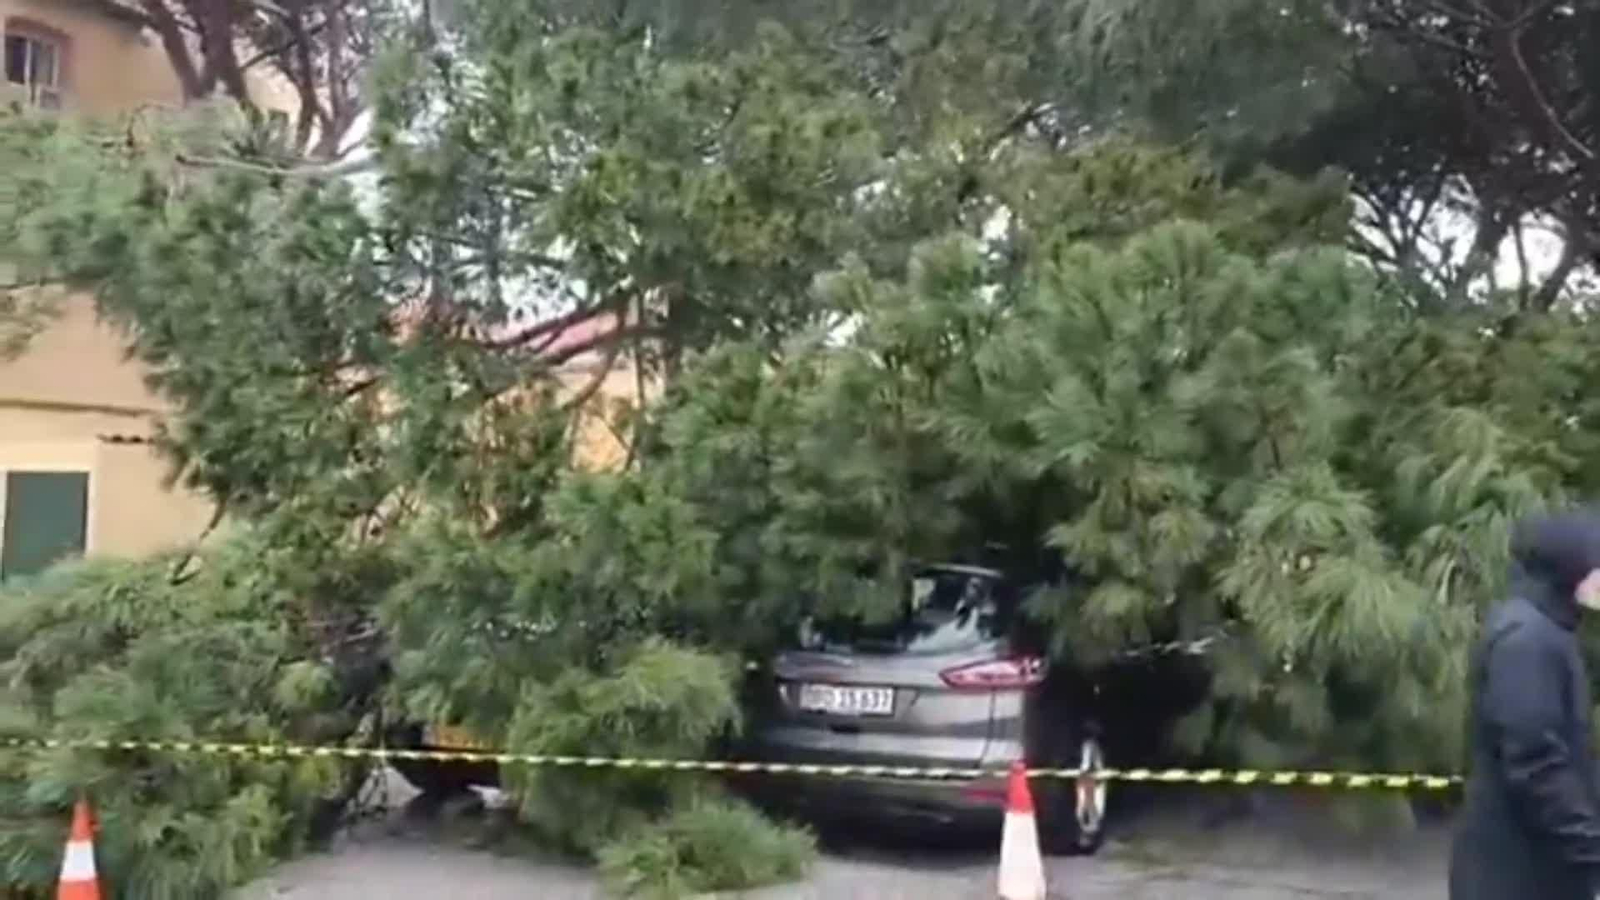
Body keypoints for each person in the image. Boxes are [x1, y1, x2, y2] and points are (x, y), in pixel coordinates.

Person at [1450, 510, 1600, 900]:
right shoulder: (1528, 641)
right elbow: (1536, 764)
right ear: (1573, 566)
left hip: (1537, 870)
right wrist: (1590, 850)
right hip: (1516, 876)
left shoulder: (1548, 631)